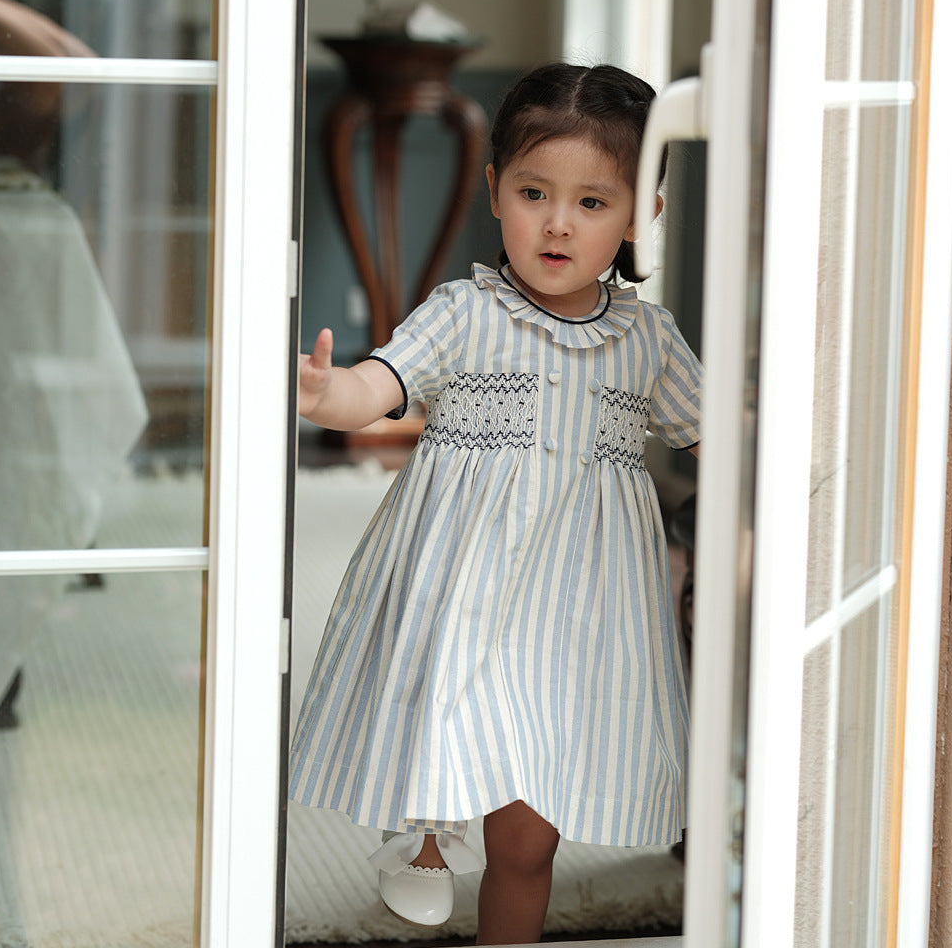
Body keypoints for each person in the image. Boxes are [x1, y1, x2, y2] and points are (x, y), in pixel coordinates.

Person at [289, 62, 702, 945]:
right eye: (533, 191)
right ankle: (427, 828)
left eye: (594, 203)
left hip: (583, 615)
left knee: (529, 839)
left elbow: (725, 444)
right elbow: (382, 382)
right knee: (456, 715)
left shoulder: (650, 342)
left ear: (644, 215)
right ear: (493, 191)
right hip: (468, 591)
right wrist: (332, 398)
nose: (558, 222)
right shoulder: (466, 312)